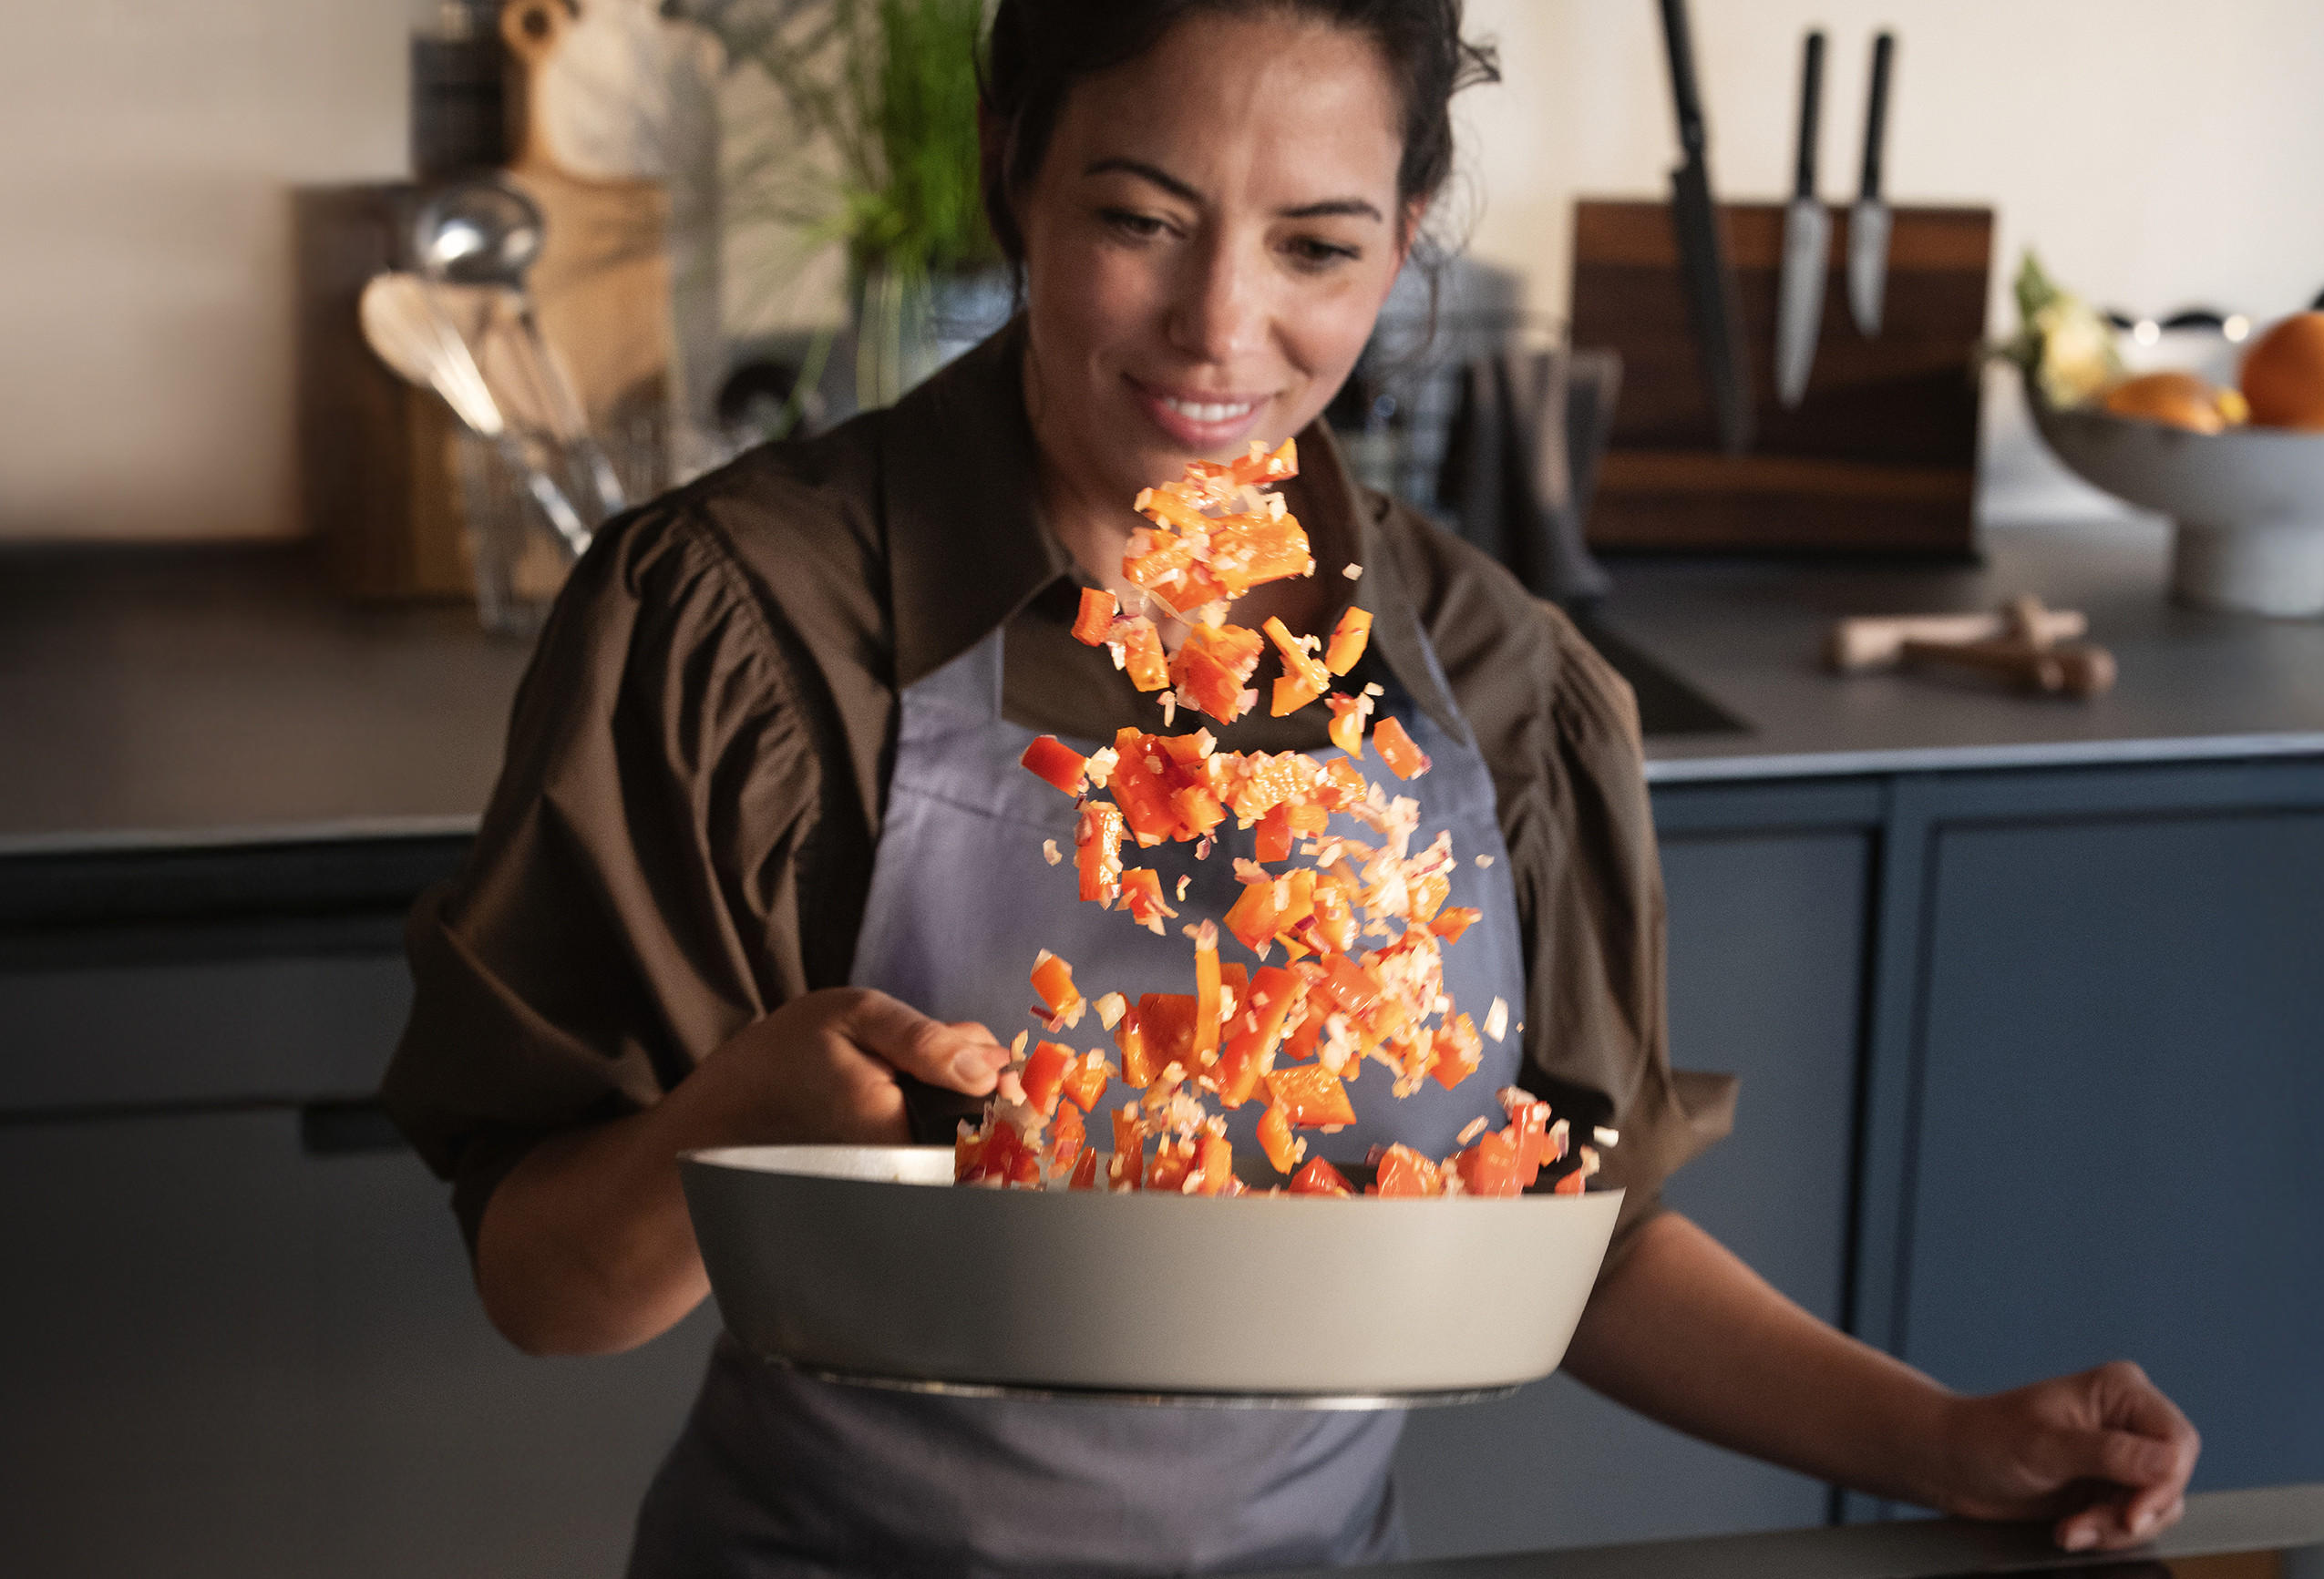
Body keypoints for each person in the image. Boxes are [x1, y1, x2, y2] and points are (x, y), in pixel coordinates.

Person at [381, 2, 2201, 1574]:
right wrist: (738, 1118)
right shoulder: (743, 624)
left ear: (1406, 238)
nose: (1215, 331)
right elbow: (545, 1291)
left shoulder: (1499, 684)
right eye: (1139, 219)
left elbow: (1572, 1235)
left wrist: (1944, 1442)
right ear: (1018, 167)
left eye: (1315, 249)